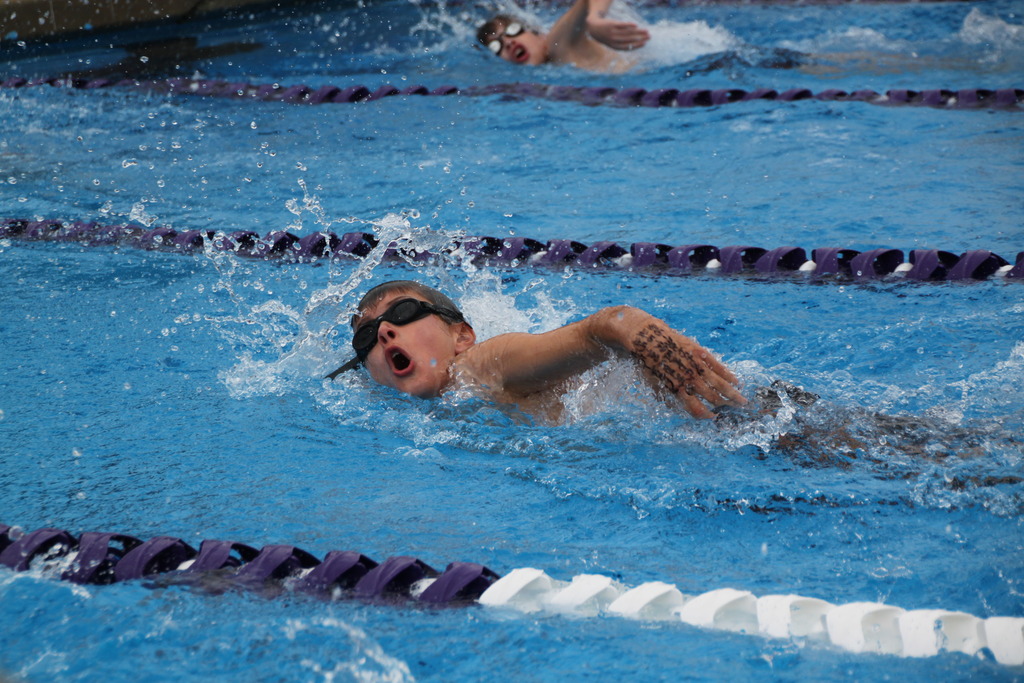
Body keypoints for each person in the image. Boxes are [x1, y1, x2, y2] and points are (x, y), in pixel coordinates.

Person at [326, 280, 746, 420]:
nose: (383, 334)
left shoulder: (479, 366)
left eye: (402, 312)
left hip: (736, 414)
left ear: (461, 336)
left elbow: (605, 327)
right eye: (366, 337)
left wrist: (633, 329)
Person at [476, 0, 650, 73]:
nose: (507, 42)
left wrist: (594, 20)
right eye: (496, 46)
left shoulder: (557, 43)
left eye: (513, 31)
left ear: (539, 34)